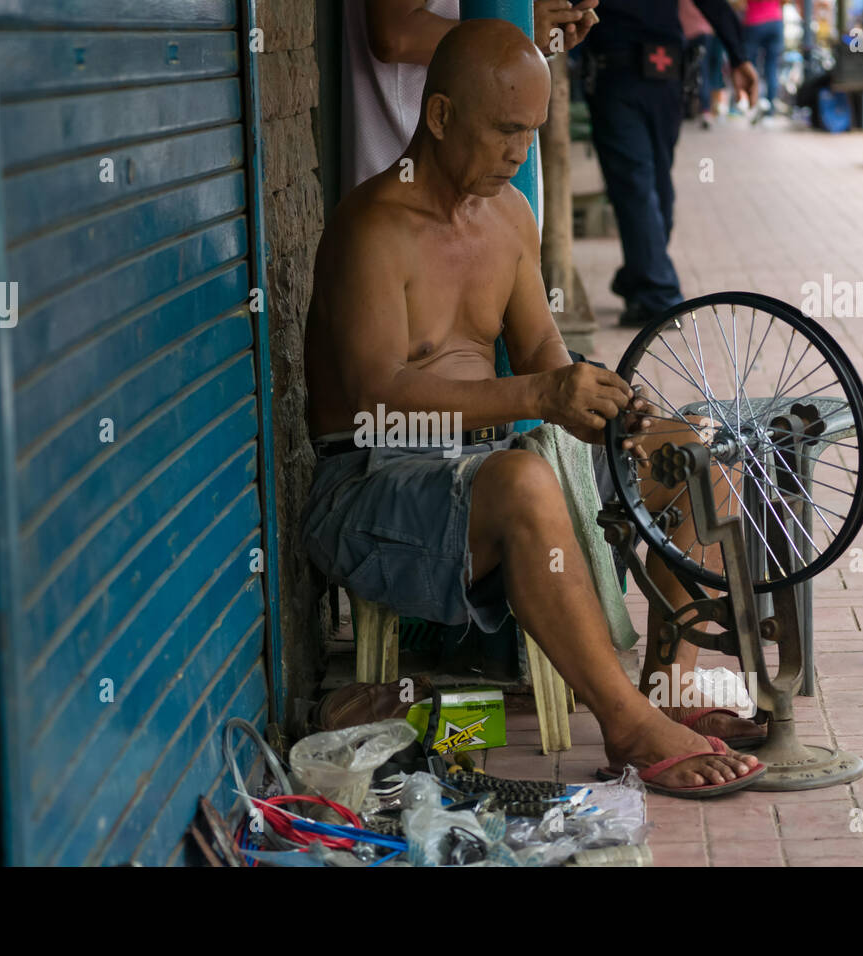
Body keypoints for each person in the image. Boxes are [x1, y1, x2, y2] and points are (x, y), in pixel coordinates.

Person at [304, 19, 765, 795]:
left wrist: (610, 409)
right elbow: (375, 399)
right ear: (441, 116)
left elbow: (546, 359)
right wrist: (539, 397)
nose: (520, 152)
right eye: (505, 131)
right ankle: (628, 726)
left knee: (695, 456)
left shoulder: (511, 216)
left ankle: (669, 688)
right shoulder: (371, 225)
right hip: (372, 484)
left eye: (533, 133)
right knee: (520, 479)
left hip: (488, 460)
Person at [582, 1, 758, 327]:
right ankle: (646, 281)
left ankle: (653, 290)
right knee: (649, 183)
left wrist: (739, 56)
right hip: (657, 76)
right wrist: (739, 56)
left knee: (643, 183)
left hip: (630, 76)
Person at [341, 0, 600, 196]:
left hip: (487, 188)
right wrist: (517, 29)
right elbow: (395, 35)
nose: (521, 154)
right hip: (408, 163)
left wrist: (546, 38)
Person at [743, 0, 785, 123]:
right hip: (775, 21)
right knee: (772, 68)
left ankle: (755, 105)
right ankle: (770, 111)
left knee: (751, 66)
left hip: (754, 22)